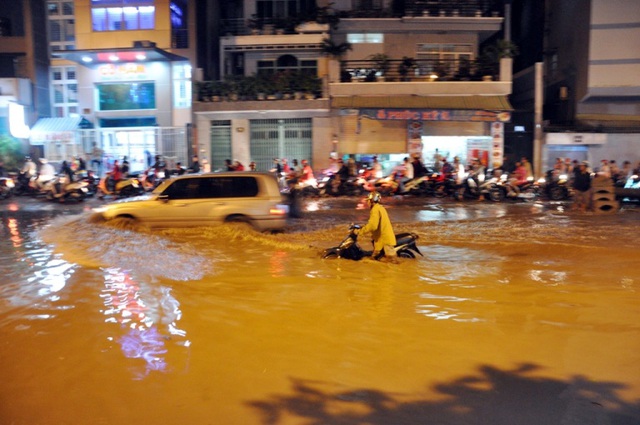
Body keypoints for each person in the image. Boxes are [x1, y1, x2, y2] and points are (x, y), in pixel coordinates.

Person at [353, 191, 396, 259]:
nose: (367, 203)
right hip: (383, 240)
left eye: (368, 201)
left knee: (391, 264)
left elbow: (373, 226)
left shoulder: (375, 210)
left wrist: (360, 232)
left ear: (371, 201)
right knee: (375, 260)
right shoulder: (380, 208)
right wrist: (363, 227)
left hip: (384, 241)